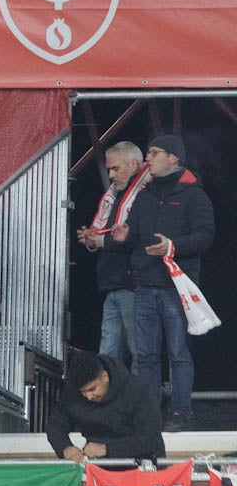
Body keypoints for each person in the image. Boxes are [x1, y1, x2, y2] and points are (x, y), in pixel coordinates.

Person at [116, 134, 214, 432]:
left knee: (178, 354)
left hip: (175, 288)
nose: (148, 158)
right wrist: (126, 237)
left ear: (174, 157)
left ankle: (179, 413)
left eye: (155, 153)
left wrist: (172, 246)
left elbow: (205, 237)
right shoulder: (144, 195)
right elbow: (136, 235)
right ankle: (149, 414)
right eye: (148, 152)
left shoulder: (194, 196)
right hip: (145, 285)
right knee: (145, 355)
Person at [78, 141, 146, 368]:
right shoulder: (115, 195)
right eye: (109, 169)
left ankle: (140, 402)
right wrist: (91, 239)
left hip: (133, 284)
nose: (111, 174)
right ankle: (109, 401)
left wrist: (102, 240)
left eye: (116, 168)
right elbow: (105, 232)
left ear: (134, 164)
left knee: (140, 352)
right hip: (111, 284)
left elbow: (135, 237)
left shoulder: (145, 194)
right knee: (107, 354)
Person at [47, 350, 165, 463]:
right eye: (83, 392)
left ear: (105, 376)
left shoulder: (138, 390)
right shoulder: (72, 394)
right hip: (99, 469)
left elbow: (151, 439)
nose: (89, 396)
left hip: (141, 466)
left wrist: (107, 449)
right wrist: (65, 448)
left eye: (92, 389)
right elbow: (55, 425)